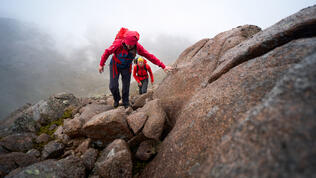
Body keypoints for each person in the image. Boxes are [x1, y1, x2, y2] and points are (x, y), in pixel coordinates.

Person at [99, 28, 172, 108]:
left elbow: (149, 56)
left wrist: (163, 66)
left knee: (126, 86)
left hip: (126, 67)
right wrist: (101, 64)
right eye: (128, 44)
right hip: (115, 66)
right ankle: (117, 99)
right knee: (113, 86)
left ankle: (126, 102)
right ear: (125, 41)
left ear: (135, 43)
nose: (129, 46)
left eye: (131, 45)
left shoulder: (138, 47)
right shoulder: (118, 44)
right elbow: (107, 52)